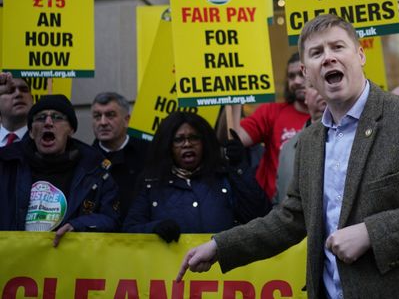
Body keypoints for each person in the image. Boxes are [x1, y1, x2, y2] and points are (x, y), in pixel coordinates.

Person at [177, 14, 399, 298]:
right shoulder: (309, 142)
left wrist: (372, 234)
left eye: (338, 46)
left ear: (360, 55)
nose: (328, 57)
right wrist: (221, 246)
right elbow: (291, 218)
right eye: (316, 53)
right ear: (306, 74)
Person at [123, 111, 270, 242]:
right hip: (172, 270)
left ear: (204, 142)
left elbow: (261, 215)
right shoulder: (151, 182)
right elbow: (130, 230)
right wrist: (153, 228)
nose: (187, 144)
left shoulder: (225, 176)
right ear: (168, 145)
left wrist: (238, 167)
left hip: (224, 269)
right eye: (179, 139)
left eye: (194, 138)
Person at [0, 94, 120, 246]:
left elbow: (111, 219)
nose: (48, 122)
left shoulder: (95, 170)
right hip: (14, 263)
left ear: (71, 129)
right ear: (31, 132)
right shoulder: (6, 165)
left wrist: (78, 225)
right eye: (40, 118)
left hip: (69, 265)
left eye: (57, 117)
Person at [229, 52, 311, 199]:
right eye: (291, 76)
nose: (297, 81)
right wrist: (233, 94)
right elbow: (235, 137)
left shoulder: (332, 116)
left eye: (302, 74)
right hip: (276, 209)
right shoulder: (271, 112)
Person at [91, 92, 148, 220]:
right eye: (97, 116)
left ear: (126, 120)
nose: (103, 122)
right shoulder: (85, 159)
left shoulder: (149, 153)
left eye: (110, 115)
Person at [273, 82, 327, 205]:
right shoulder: (287, 148)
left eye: (326, 82)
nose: (321, 91)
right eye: (313, 85)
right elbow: (279, 202)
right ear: (305, 95)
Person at [0, 72, 34, 147]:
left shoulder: (43, 141)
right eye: (10, 91)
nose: (18, 94)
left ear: (32, 99)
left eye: (24, 90)